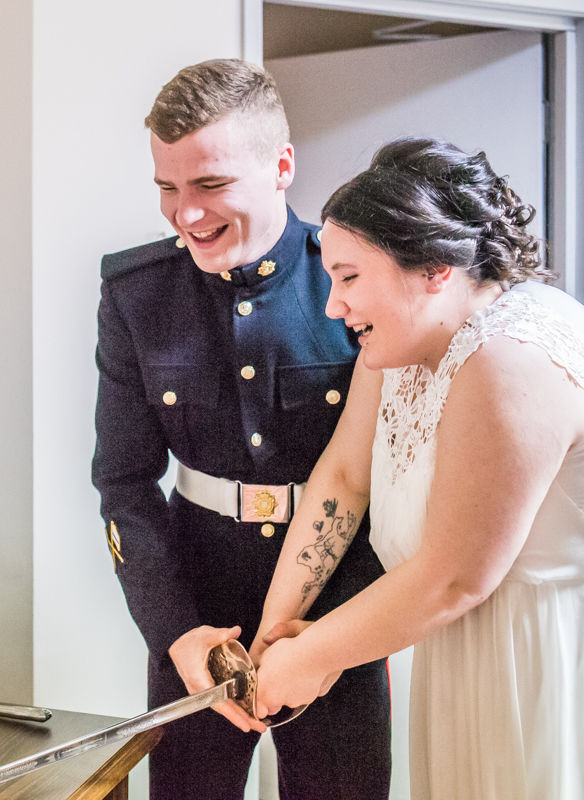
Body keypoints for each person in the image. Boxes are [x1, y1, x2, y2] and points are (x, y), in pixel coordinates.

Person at [226, 137, 583, 799]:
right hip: (461, 663)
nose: (334, 306)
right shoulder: (401, 347)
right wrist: (274, 638)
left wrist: (315, 655)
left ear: (436, 269)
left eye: (350, 277)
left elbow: (453, 578)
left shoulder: (512, 356)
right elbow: (343, 478)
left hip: (539, 667)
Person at [91, 58, 391, 800]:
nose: (185, 214)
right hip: (197, 608)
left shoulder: (352, 283)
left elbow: (393, 480)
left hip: (337, 611)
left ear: (282, 165)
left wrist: (327, 644)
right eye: (168, 187)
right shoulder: (137, 295)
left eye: (211, 185)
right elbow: (124, 481)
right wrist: (178, 630)